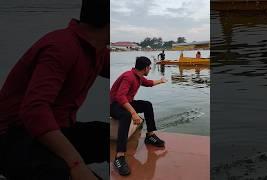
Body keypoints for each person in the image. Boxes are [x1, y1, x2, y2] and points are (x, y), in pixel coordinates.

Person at [0, 0, 109, 179]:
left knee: (109, 136)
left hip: (57, 129)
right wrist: (76, 164)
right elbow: (34, 110)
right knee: (61, 171)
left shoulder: (95, 51)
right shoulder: (61, 47)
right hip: (14, 138)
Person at [110, 56, 167, 176]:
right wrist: (133, 113)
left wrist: (161, 81)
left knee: (147, 105)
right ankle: (119, 157)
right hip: (113, 105)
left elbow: (149, 83)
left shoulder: (139, 76)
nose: (150, 68)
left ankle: (150, 135)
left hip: (126, 102)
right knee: (126, 116)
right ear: (145, 67)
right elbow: (120, 97)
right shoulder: (128, 77)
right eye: (149, 67)